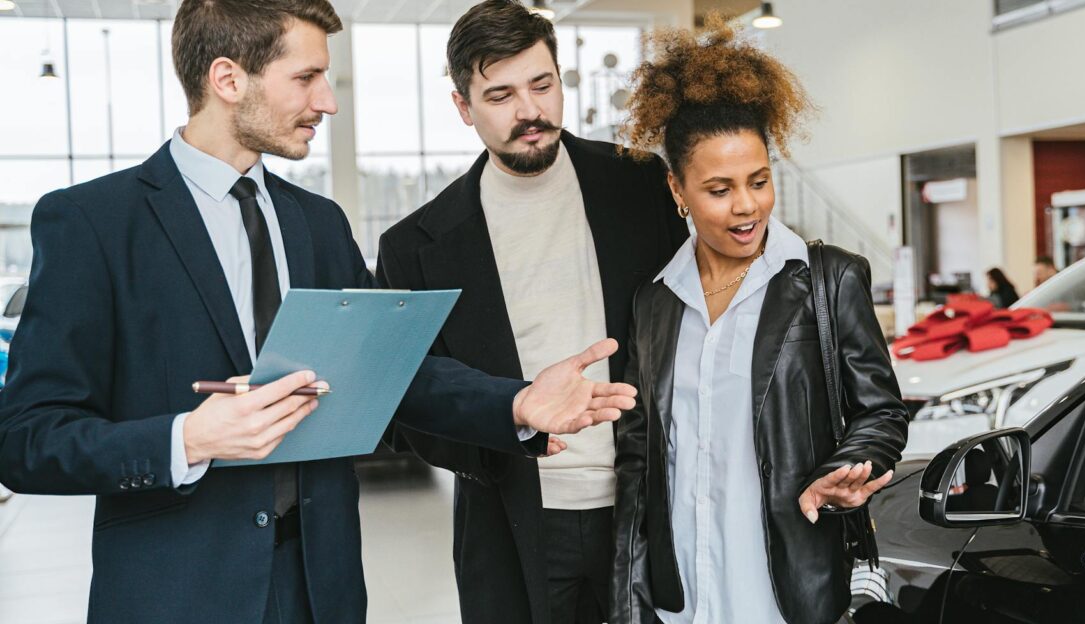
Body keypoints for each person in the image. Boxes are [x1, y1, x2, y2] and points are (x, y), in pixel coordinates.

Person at [0, 2, 637, 622]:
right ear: (228, 79)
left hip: (320, 586)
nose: (327, 101)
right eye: (306, 78)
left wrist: (516, 404)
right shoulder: (92, 223)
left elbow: (395, 371)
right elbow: (27, 440)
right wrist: (187, 439)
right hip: (177, 591)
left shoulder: (319, 225)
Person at [375, 2, 688, 623]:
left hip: (648, 513)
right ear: (463, 107)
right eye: (500, 95)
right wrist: (514, 416)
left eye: (542, 85)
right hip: (508, 519)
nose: (530, 112)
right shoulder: (415, 246)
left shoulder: (640, 185)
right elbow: (405, 402)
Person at [611, 19, 909, 624]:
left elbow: (882, 412)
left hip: (789, 583)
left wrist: (845, 469)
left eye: (759, 181)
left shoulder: (828, 279)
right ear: (678, 190)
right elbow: (640, 458)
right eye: (719, 189)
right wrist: (631, 590)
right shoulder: (655, 301)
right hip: (685, 590)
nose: (746, 205)